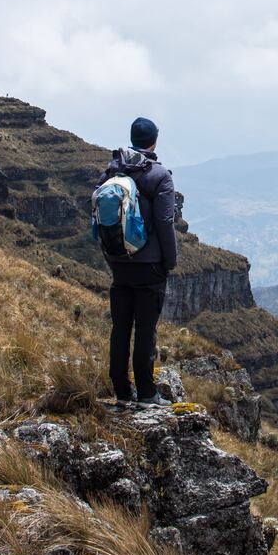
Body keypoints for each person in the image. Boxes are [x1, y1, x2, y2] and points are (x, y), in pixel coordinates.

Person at [97, 117, 178, 406]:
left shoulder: (110, 172)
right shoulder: (159, 176)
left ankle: (121, 391)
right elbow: (165, 222)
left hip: (119, 263)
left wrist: (110, 256)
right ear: (154, 141)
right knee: (145, 329)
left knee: (120, 327)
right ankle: (145, 392)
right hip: (150, 266)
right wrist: (169, 261)